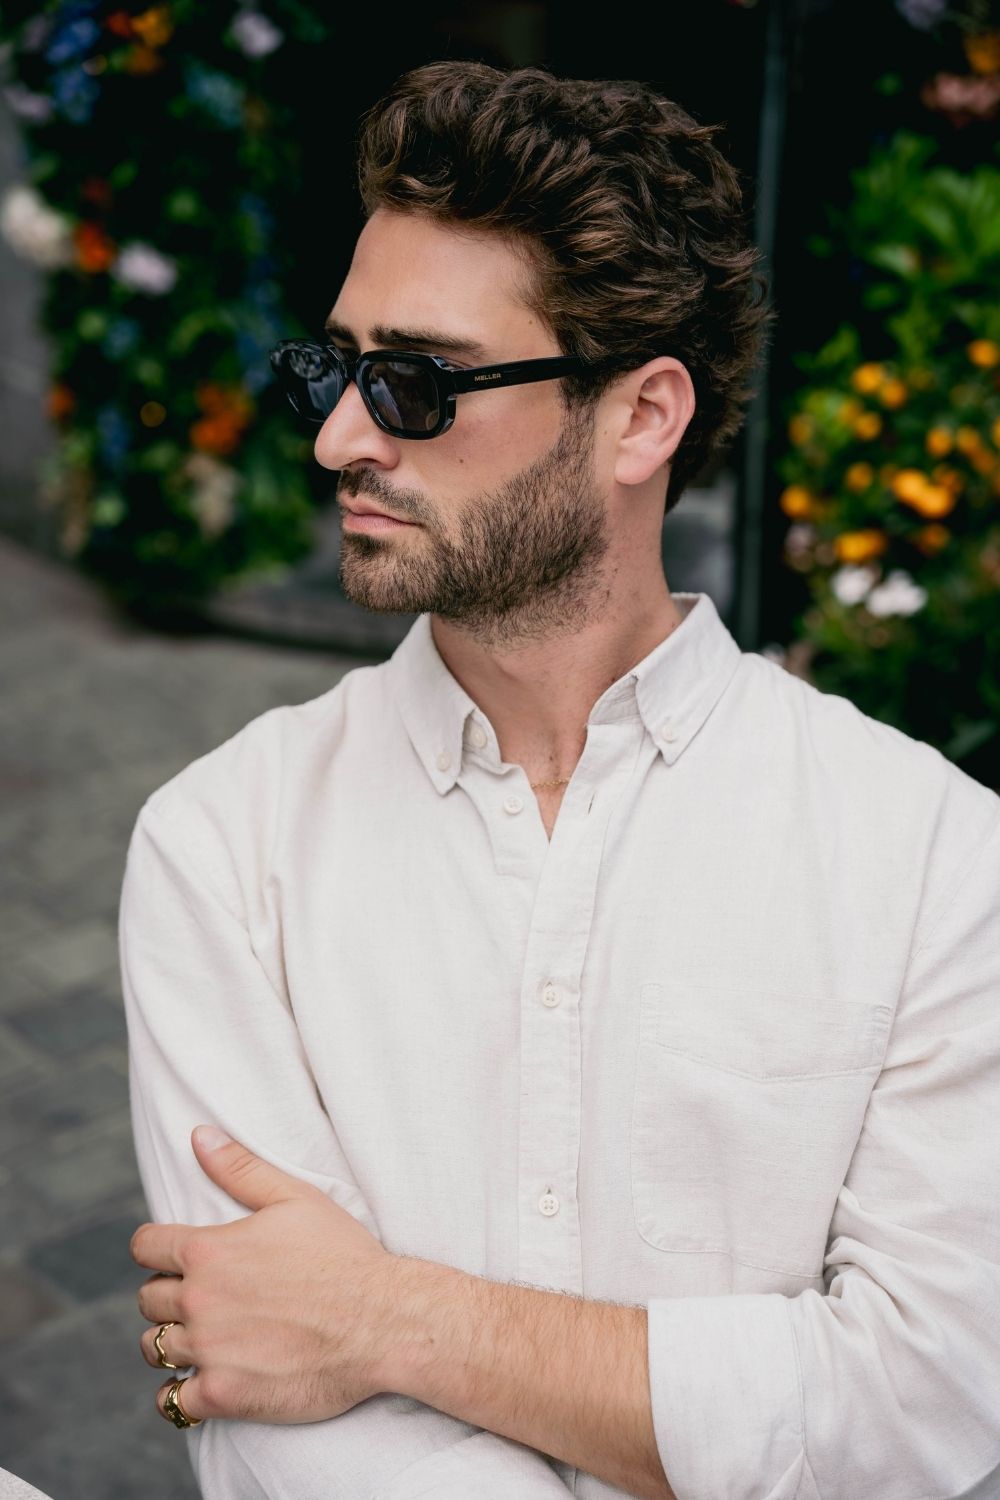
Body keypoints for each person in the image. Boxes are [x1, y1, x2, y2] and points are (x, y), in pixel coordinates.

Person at [120, 59, 1000, 1500]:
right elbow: (283, 1409)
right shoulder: (223, 846)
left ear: (641, 418)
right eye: (333, 370)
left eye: (415, 383)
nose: (340, 437)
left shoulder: (935, 857)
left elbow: (925, 1406)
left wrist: (389, 1320)